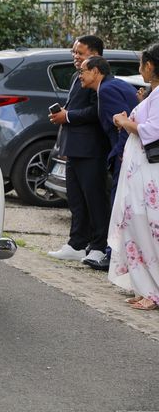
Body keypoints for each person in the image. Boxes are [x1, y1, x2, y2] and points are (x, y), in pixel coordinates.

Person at [48, 35, 110, 261]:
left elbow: (96, 111)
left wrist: (69, 116)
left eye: (80, 53)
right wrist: (63, 113)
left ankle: (98, 246)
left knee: (94, 199)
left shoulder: (101, 80)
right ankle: (76, 243)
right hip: (74, 146)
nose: (76, 56)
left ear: (95, 55)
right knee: (76, 199)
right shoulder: (78, 76)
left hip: (91, 148)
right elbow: (76, 106)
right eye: (74, 52)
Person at [108, 43, 159, 311]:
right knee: (134, 224)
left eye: (141, 64)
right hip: (139, 171)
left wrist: (123, 121)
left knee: (147, 226)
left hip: (149, 173)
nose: (140, 69)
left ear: (150, 65)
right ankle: (143, 287)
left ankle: (154, 291)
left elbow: (154, 130)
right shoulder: (153, 93)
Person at [77, 56, 138, 270]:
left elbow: (122, 121)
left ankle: (112, 257)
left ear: (95, 71)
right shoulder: (116, 84)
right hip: (128, 152)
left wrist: (120, 152)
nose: (80, 76)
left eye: (83, 71)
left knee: (118, 206)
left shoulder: (107, 90)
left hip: (125, 153)